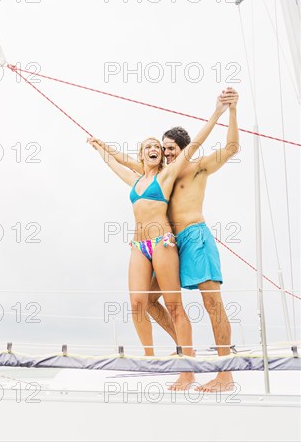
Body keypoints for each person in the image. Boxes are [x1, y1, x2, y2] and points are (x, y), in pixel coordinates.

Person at [88, 89, 235, 390]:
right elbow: (125, 162)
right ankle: (180, 353)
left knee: (210, 303)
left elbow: (216, 145)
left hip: (189, 237)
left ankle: (223, 373)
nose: (165, 153)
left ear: (178, 149)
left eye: (168, 148)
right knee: (146, 302)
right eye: (158, 148)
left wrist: (222, 112)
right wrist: (101, 148)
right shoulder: (149, 174)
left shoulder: (188, 169)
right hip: (162, 243)